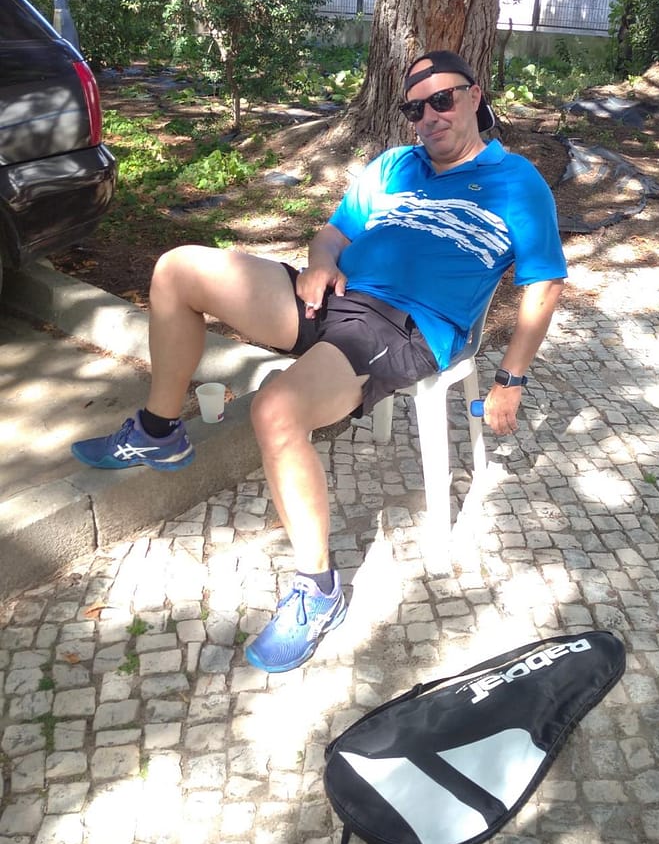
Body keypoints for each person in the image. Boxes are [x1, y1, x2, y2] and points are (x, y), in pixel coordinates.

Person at [72, 50, 567, 673]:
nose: (430, 117)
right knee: (178, 270)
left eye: (443, 100)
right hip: (333, 297)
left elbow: (544, 283)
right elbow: (334, 232)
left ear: (474, 96)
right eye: (416, 108)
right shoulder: (395, 165)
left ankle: (319, 589)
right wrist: (320, 262)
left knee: (276, 410)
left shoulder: (517, 182)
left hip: (402, 326)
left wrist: (510, 378)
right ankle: (158, 431)